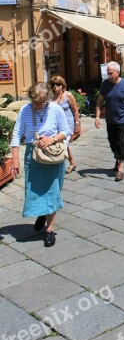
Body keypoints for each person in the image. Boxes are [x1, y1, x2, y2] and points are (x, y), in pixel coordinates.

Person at [10, 82, 71, 247]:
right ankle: (43, 214)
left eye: (41, 103)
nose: (37, 106)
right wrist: (15, 159)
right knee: (35, 190)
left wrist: (52, 139)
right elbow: (16, 134)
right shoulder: (25, 110)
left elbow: (66, 131)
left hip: (53, 154)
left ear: (48, 99)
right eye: (34, 102)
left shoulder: (56, 109)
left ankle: (50, 230)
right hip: (33, 154)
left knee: (52, 191)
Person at [95, 61, 124, 181]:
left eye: (110, 73)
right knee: (112, 143)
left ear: (118, 72)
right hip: (110, 119)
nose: (108, 75)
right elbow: (100, 101)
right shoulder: (105, 84)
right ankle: (118, 160)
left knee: (121, 143)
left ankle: (120, 170)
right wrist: (97, 117)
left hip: (123, 119)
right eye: (108, 73)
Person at [50, 75, 81, 173]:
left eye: (58, 84)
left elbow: (75, 110)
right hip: (57, 125)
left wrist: (77, 124)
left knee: (63, 144)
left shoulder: (68, 95)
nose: (55, 86)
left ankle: (59, 166)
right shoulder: (51, 97)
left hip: (68, 125)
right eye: (53, 84)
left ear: (62, 85)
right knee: (63, 144)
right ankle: (72, 163)